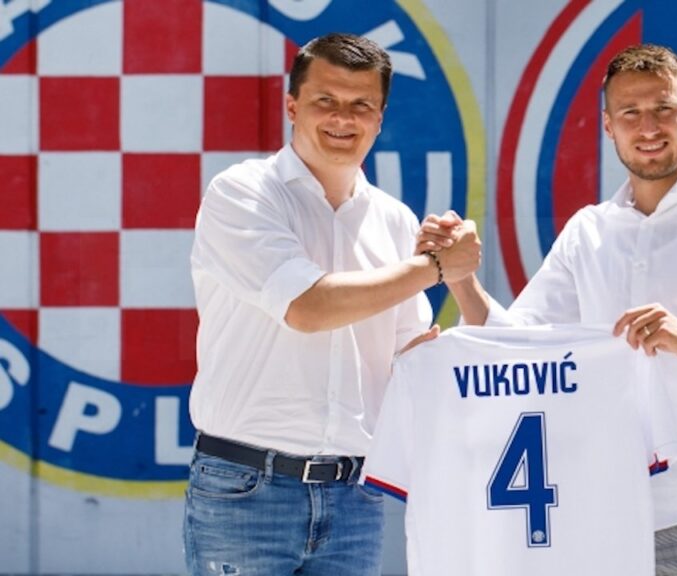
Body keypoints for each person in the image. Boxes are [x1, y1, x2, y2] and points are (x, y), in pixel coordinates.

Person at [421, 44, 677, 575]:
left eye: (663, 108)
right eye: (630, 113)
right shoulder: (589, 231)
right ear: (607, 126)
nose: (648, 128)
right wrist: (459, 279)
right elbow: (518, 347)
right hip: (602, 516)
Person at [184, 32, 479, 576]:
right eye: (326, 100)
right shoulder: (243, 192)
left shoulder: (395, 219)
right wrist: (436, 267)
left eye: (361, 104)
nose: (343, 118)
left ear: (380, 118)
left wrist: (461, 282)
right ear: (292, 106)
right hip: (247, 489)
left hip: (354, 496)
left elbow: (410, 361)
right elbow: (307, 308)